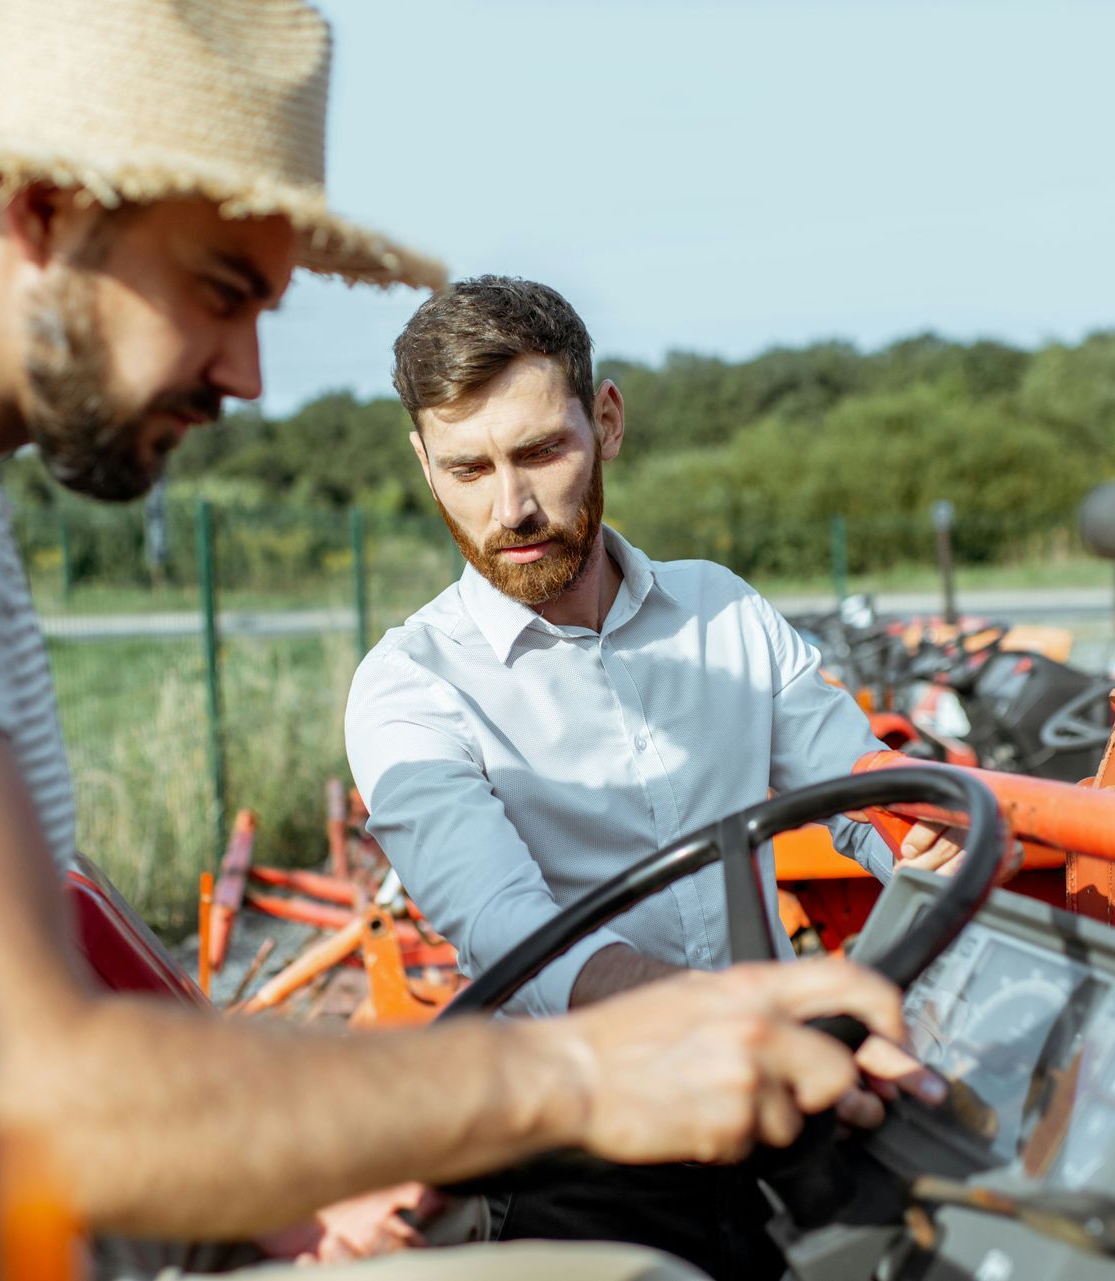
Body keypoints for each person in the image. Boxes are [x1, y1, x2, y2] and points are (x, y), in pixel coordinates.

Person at [0, 4, 935, 1279]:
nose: (246, 375)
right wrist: (595, 1068)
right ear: (43, 210)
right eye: (222, 290)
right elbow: (25, 1086)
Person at [344, 277, 982, 1279]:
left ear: (606, 420)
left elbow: (860, 790)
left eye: (542, 451)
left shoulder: (720, 610)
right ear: (424, 463)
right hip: (586, 1141)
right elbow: (507, 931)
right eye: (468, 468)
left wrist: (923, 823)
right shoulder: (407, 687)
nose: (509, 506)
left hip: (782, 1101)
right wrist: (728, 1015)